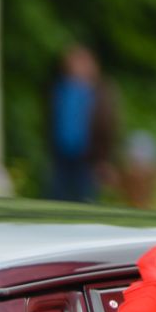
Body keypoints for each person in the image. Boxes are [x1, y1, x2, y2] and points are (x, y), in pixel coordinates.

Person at [47, 45, 118, 204]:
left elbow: (107, 127)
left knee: (85, 200)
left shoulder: (100, 91)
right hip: (61, 155)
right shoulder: (61, 88)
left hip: (88, 158)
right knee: (57, 199)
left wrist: (104, 159)